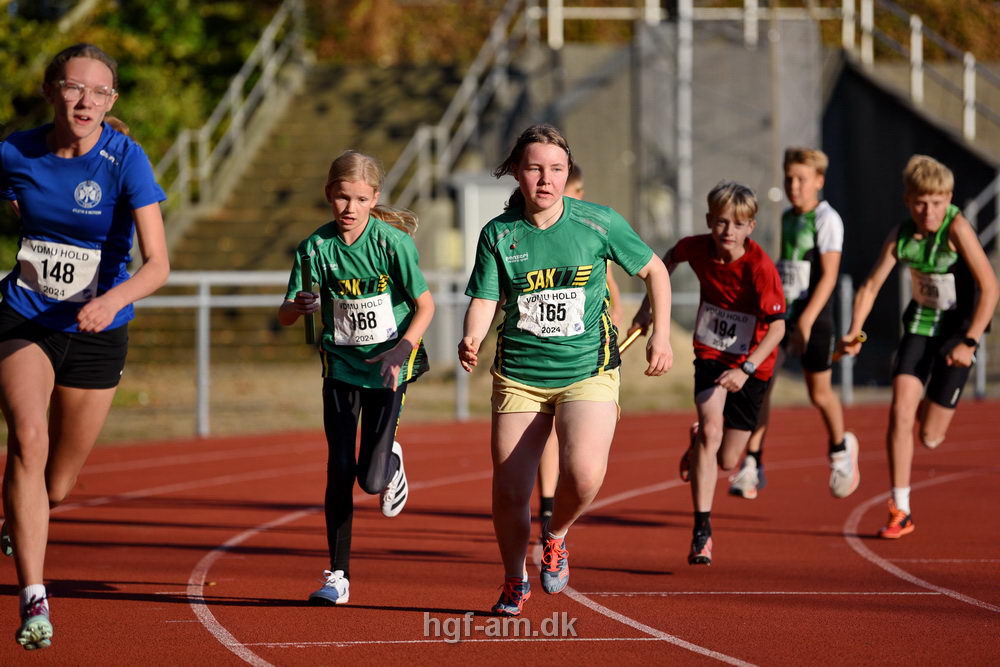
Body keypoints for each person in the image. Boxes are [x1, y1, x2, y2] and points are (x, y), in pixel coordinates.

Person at [459, 124, 673, 616]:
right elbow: (485, 299)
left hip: (587, 369)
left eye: (556, 169)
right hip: (520, 374)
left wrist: (660, 335)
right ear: (516, 172)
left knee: (585, 473)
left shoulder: (598, 222)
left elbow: (655, 271)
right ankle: (514, 578)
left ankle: (555, 534)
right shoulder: (499, 234)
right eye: (535, 169)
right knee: (510, 490)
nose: (546, 179)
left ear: (567, 173)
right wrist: (472, 336)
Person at [0, 43, 170, 650]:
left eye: (100, 92)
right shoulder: (15, 152)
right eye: (74, 87)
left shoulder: (126, 159)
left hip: (99, 330)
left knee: (57, 485)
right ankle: (34, 596)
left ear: (111, 100)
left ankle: (21, 515)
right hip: (26, 319)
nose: (85, 101)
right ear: (52, 90)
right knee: (27, 438)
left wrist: (110, 299)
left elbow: (158, 264)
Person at [278, 150, 434, 604]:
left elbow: (425, 306)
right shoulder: (315, 249)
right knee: (339, 469)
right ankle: (338, 575)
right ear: (329, 194)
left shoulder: (392, 245)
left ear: (375, 198)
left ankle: (390, 463)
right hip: (341, 368)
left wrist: (402, 349)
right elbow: (286, 314)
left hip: (388, 367)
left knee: (371, 481)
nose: (350, 208)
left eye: (361, 199)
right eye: (343, 197)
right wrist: (299, 306)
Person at [838, 155, 998, 539]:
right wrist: (855, 332)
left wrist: (970, 341)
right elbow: (870, 286)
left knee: (930, 437)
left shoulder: (957, 228)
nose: (929, 212)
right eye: (921, 203)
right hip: (920, 326)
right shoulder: (901, 235)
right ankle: (901, 509)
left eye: (937, 203)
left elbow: (990, 288)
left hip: (957, 334)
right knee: (900, 411)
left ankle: (931, 408)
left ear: (949, 199)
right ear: (908, 201)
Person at [631, 182, 785, 566]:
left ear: (751, 227)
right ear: (708, 221)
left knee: (729, 460)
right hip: (712, 352)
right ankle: (702, 530)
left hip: (753, 363)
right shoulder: (697, 247)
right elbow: (667, 259)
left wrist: (747, 369)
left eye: (738, 224)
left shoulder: (760, 267)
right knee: (713, 430)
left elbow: (778, 328)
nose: (728, 231)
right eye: (720, 222)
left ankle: (699, 439)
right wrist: (649, 307)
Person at [729, 147, 859, 500]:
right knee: (762, 384)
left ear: (819, 181)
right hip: (781, 316)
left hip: (813, 317)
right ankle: (752, 463)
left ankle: (841, 450)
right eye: (789, 179)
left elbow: (829, 276)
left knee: (819, 392)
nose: (794, 186)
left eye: (801, 179)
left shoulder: (827, 219)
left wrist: (806, 321)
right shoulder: (788, 217)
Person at [534, 163, 624, 538]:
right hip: (541, 356)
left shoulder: (590, 231)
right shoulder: (534, 232)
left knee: (576, 441)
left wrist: (615, 318)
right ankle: (547, 502)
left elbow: (612, 286)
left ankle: (557, 508)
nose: (576, 198)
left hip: (586, 353)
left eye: (576, 192)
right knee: (546, 434)